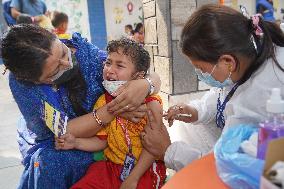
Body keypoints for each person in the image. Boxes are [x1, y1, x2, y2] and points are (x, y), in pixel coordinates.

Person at [1, 24, 161, 189]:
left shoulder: (85, 53)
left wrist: (146, 84)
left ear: (55, 36)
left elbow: (147, 75)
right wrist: (114, 110)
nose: (67, 63)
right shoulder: (24, 87)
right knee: (49, 163)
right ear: (35, 81)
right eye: (56, 70)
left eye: (64, 52)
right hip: (64, 141)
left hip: (106, 138)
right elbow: (62, 131)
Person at [141, 4, 284, 171]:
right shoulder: (250, 54)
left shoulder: (260, 95)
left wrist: (167, 151)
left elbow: (223, 167)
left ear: (227, 62)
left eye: (202, 69)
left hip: (271, 170)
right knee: (187, 127)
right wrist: (196, 111)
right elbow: (222, 94)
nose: (200, 73)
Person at [56, 38, 166, 189]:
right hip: (112, 167)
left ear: (138, 76)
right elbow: (102, 141)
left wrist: (133, 178)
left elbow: (154, 147)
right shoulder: (102, 101)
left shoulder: (151, 103)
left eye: (119, 65)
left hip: (144, 169)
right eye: (108, 63)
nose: (110, 69)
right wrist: (76, 143)